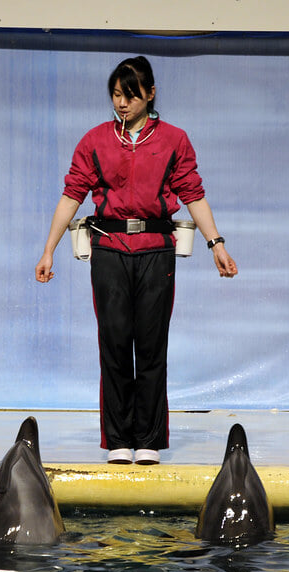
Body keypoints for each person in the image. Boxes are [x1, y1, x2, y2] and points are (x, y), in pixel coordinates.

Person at [35, 56, 237, 465]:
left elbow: (192, 193)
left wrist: (216, 242)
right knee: (113, 342)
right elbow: (72, 195)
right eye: (115, 94)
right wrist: (48, 249)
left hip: (155, 249)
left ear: (150, 94)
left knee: (150, 344)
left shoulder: (174, 140)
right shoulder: (95, 141)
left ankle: (147, 439)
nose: (122, 103)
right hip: (109, 248)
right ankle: (118, 440)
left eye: (130, 95)